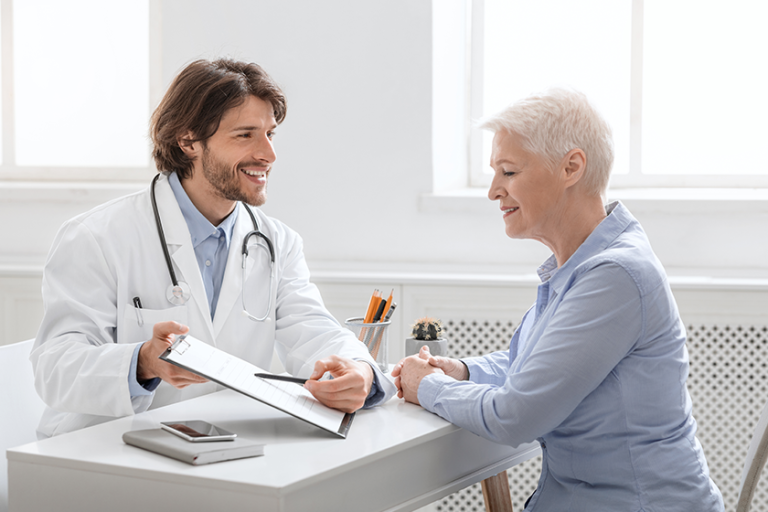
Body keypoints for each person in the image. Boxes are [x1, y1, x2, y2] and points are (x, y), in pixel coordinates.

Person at [392, 89, 724, 510]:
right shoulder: (577, 268)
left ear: (571, 167)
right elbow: (529, 364)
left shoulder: (615, 276)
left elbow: (515, 415)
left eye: (508, 172)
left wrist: (429, 386)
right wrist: (460, 370)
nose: (494, 191)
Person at [30, 58, 395, 437]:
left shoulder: (277, 243)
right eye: (245, 135)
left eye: (270, 134)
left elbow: (313, 330)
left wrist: (360, 369)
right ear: (188, 141)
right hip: (100, 452)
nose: (268, 154)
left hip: (223, 450)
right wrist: (142, 362)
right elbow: (54, 369)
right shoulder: (96, 237)